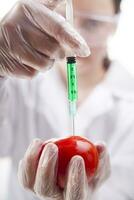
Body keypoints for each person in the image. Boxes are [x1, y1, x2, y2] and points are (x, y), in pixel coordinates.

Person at [0, 0, 134, 199]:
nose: (76, 37)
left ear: (114, 25)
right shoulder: (19, 84)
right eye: (63, 21)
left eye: (93, 24)